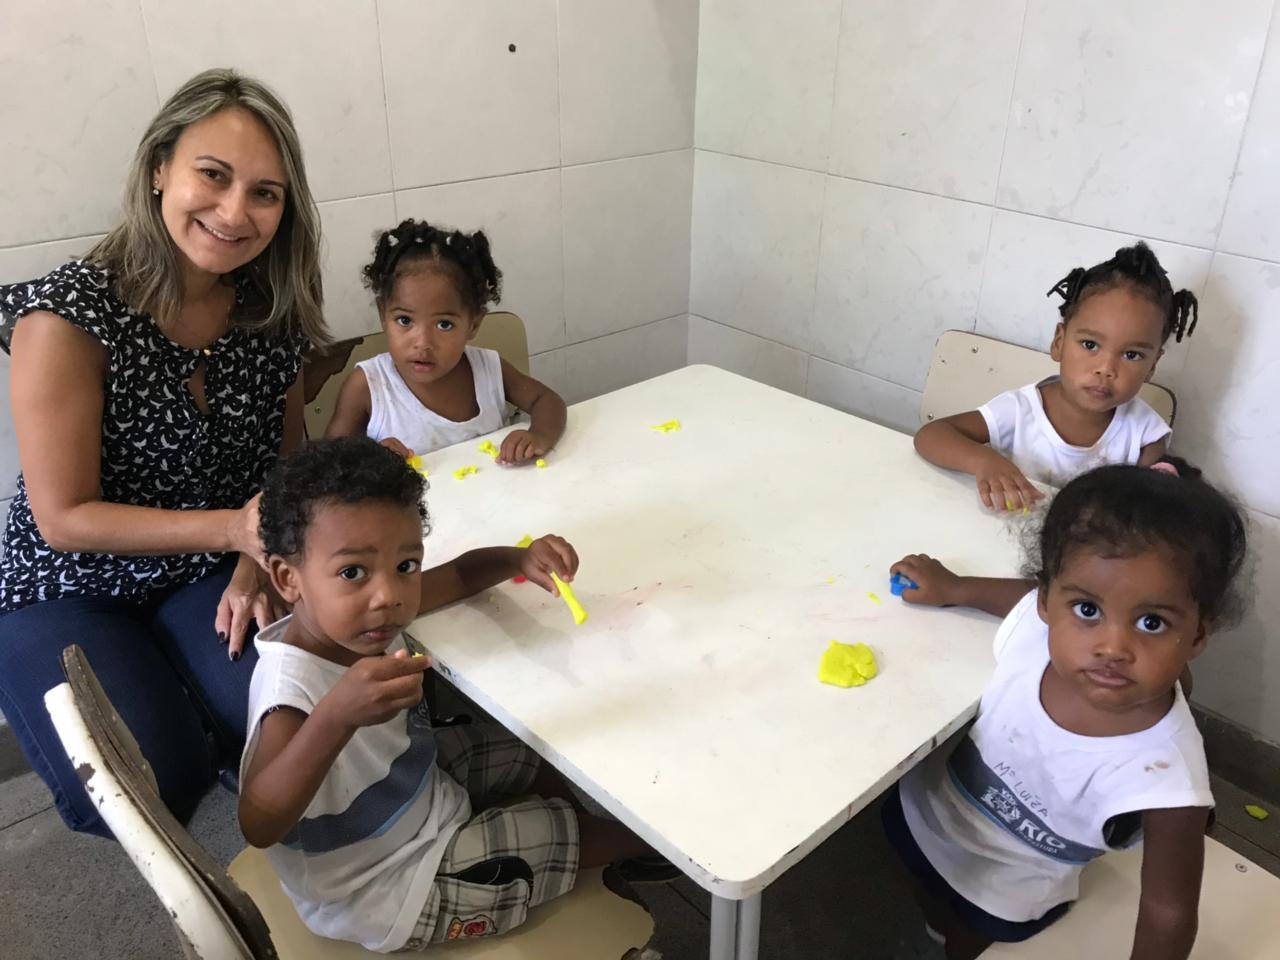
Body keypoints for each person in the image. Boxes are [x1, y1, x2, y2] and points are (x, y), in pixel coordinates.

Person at [0, 69, 327, 837]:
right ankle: (185, 720)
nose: (234, 212)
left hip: (205, 567)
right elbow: (64, 518)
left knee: (287, 711)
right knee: (140, 783)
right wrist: (233, 532)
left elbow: (286, 469)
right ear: (158, 170)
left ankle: (202, 711)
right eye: (212, 175)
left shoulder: (270, 309)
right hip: (67, 583)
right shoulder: (67, 317)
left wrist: (252, 563)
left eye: (265, 192)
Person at [239, 437, 659, 951]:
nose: (388, 595)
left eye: (406, 566)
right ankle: (642, 849)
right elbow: (259, 822)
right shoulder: (289, 691)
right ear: (288, 579)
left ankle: (570, 841)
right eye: (352, 572)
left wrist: (520, 558)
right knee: (551, 829)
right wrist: (336, 717)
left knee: (522, 749)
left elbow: (459, 574)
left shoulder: (361, 615)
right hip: (387, 890)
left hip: (414, 795)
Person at [882, 463, 1248, 959]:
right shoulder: (1036, 633)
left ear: (1199, 635)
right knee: (921, 887)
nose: (1112, 647)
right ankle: (937, 927)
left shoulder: (1166, 775)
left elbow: (1168, 912)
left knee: (967, 939)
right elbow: (1019, 599)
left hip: (1005, 892)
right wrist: (956, 588)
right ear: (1047, 601)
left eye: (1152, 622)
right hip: (923, 811)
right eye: (1088, 610)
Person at [914, 242, 1198, 511]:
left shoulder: (1146, 433)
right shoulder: (1019, 411)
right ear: (1059, 342)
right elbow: (930, 436)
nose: (1106, 369)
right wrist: (984, 460)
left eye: (1132, 355)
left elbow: (1149, 506)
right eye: (1090, 345)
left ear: (1152, 365)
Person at [325, 218, 566, 465]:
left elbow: (547, 401)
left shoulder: (489, 369)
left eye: (444, 324)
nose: (423, 342)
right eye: (405, 320)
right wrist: (372, 459)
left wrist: (539, 434)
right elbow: (329, 462)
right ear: (383, 314)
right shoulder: (369, 385)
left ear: (474, 324)